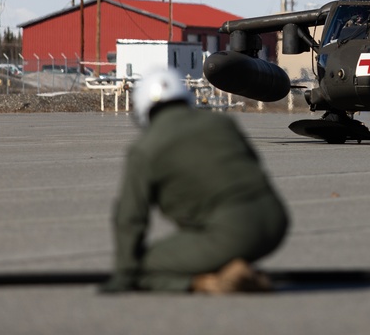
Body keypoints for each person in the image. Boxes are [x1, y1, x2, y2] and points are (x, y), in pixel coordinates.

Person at [100, 68, 290, 294]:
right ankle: (232, 267)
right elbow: (253, 165)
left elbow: (131, 216)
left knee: (141, 265)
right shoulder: (222, 123)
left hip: (229, 235)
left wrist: (124, 274)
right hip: (276, 222)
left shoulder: (145, 148)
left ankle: (207, 282)